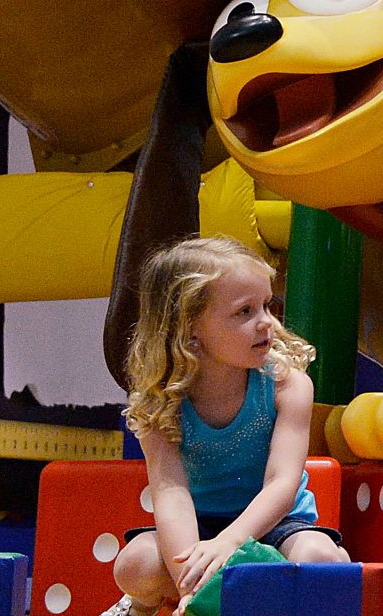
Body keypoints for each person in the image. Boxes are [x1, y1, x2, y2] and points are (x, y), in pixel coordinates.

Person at [106, 238, 349, 615]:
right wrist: (190, 585)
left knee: (321, 559)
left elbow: (282, 484)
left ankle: (268, 584)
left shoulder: (286, 384)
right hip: (197, 528)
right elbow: (171, 493)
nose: (266, 322)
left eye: (267, 305)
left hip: (276, 523)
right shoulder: (161, 398)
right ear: (189, 328)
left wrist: (231, 542)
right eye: (244, 311)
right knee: (134, 566)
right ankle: (141, 607)